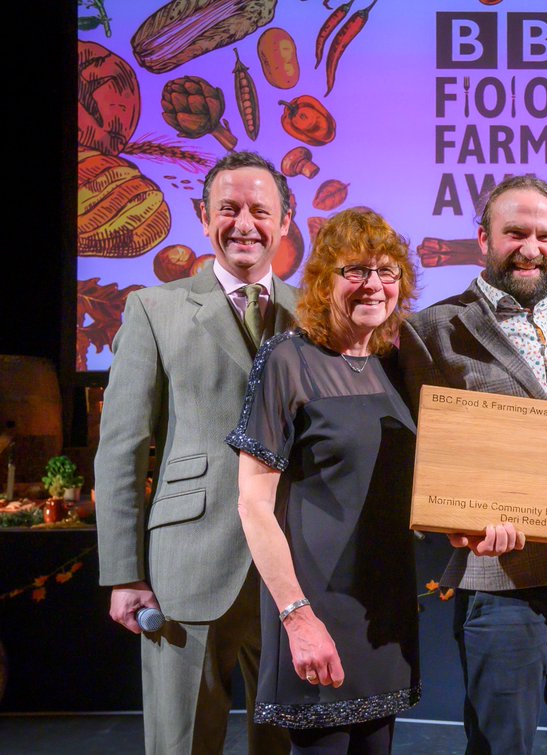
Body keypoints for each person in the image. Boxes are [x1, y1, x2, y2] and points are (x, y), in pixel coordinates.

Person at [396, 175, 547, 754]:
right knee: (500, 745)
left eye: (545, 236)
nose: (531, 248)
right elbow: (422, 452)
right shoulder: (434, 329)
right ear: (484, 238)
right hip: (502, 574)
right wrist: (455, 520)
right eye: (515, 233)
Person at [95, 151, 295, 754]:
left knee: (289, 743)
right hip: (187, 563)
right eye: (228, 209)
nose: (244, 224)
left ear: (285, 221)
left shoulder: (314, 312)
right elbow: (122, 448)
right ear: (203, 217)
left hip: (294, 565)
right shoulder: (153, 308)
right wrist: (124, 574)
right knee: (181, 742)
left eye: (260, 210)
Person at [227, 208, 420, 753]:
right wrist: (297, 617)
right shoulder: (288, 358)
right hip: (315, 604)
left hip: (383, 606)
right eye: (355, 270)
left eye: (386, 271)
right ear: (322, 280)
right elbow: (253, 504)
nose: (373, 284)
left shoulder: (393, 363)